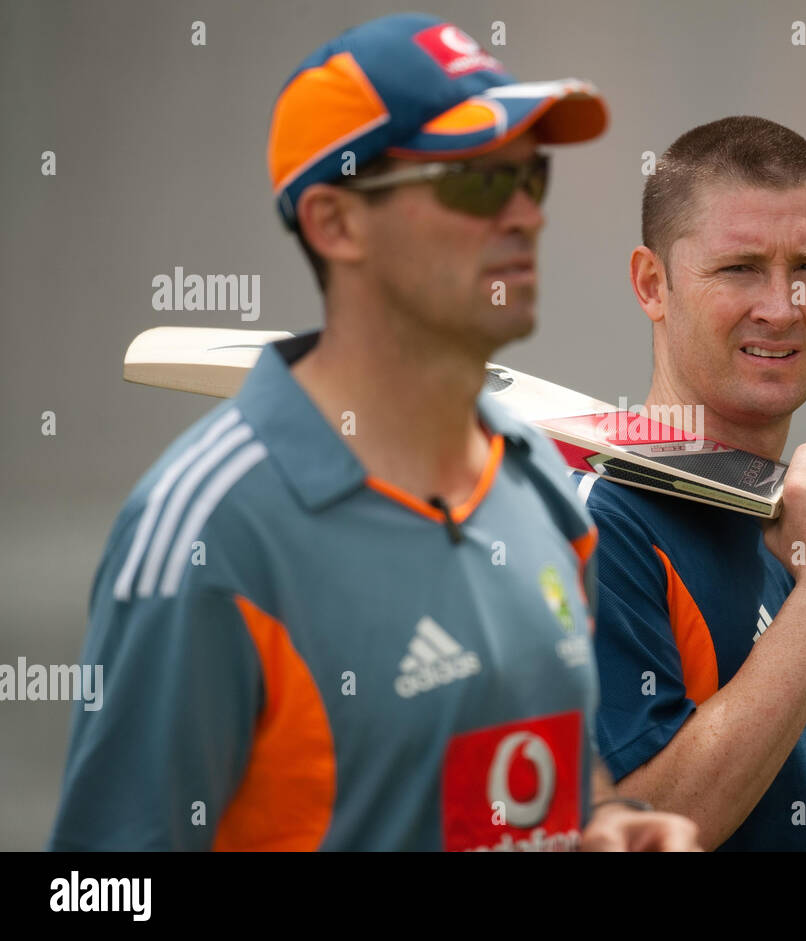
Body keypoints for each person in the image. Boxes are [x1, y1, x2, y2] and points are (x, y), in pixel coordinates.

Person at [48, 12, 697, 852]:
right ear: (334, 223)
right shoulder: (208, 534)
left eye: (529, 177)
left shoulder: (535, 475)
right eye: (474, 183)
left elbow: (545, 775)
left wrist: (609, 825)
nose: (525, 217)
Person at [578, 116, 806, 850]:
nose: (782, 306)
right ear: (651, 283)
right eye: (740, 268)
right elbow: (631, 835)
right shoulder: (603, 522)